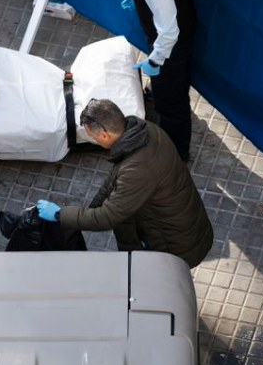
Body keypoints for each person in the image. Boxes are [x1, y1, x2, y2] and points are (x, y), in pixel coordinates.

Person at [34, 99, 213, 268]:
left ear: (104, 134)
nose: (95, 142)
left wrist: (60, 215)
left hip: (172, 245)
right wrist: (91, 207)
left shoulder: (138, 169)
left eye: (94, 138)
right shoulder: (145, 131)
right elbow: (115, 178)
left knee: (158, 288)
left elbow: (106, 218)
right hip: (180, 223)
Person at [116, 0, 197, 162]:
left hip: (171, 44)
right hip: (181, 11)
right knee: (169, 87)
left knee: (171, 104)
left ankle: (176, 154)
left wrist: (155, 60)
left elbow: (169, 31)